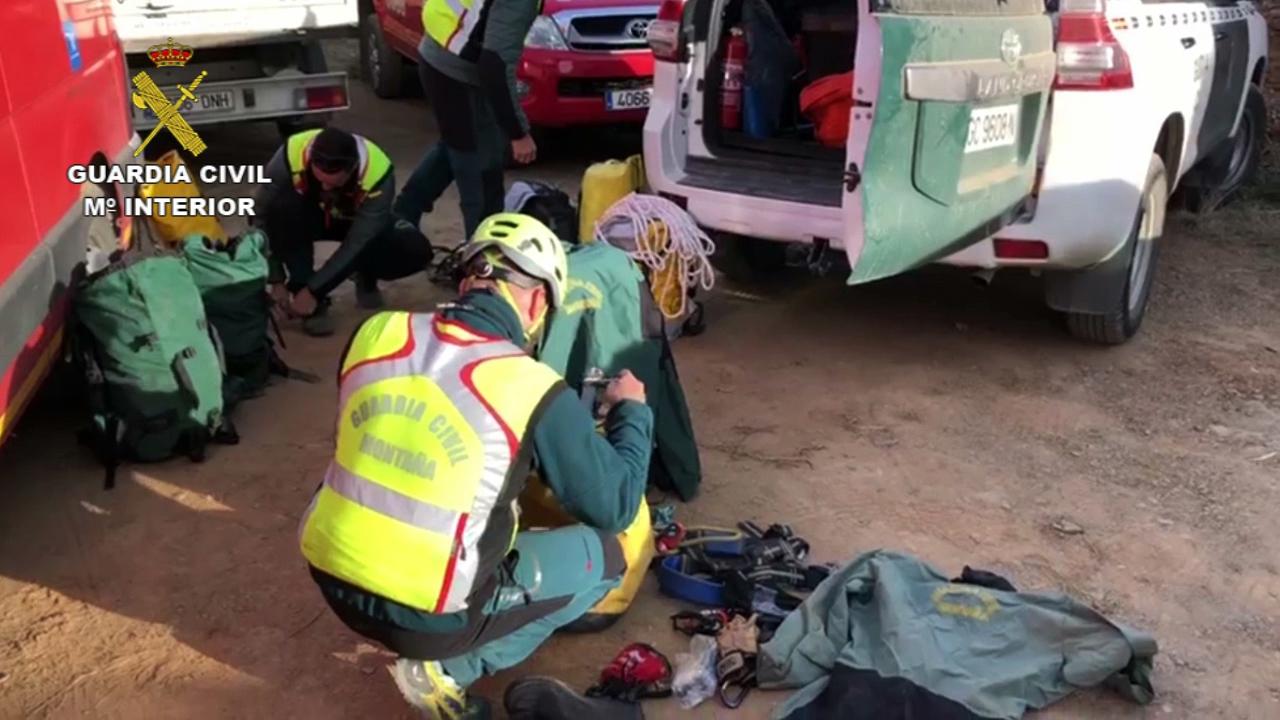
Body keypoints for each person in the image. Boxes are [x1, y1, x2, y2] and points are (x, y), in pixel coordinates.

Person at [298, 213, 654, 719]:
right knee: (607, 557)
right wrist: (632, 412)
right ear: (535, 300)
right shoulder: (530, 386)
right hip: (425, 616)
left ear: (467, 280)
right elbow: (615, 505)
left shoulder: (373, 332)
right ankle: (446, 671)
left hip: (331, 574)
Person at [252, 127, 432, 337]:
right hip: (306, 216)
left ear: (352, 168)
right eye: (319, 181)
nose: (325, 188)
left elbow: (358, 242)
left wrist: (314, 290)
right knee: (281, 210)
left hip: (353, 220)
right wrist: (275, 278)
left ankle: (364, 274)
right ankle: (303, 288)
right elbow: (259, 217)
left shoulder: (378, 173)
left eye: (333, 183)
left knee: (415, 249)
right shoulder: (287, 158)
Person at [391, 0, 542, 241]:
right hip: (457, 73)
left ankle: (402, 215)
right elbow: (495, 65)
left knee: (456, 148)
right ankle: (483, 256)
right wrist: (518, 133)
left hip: (439, 53)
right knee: (482, 170)